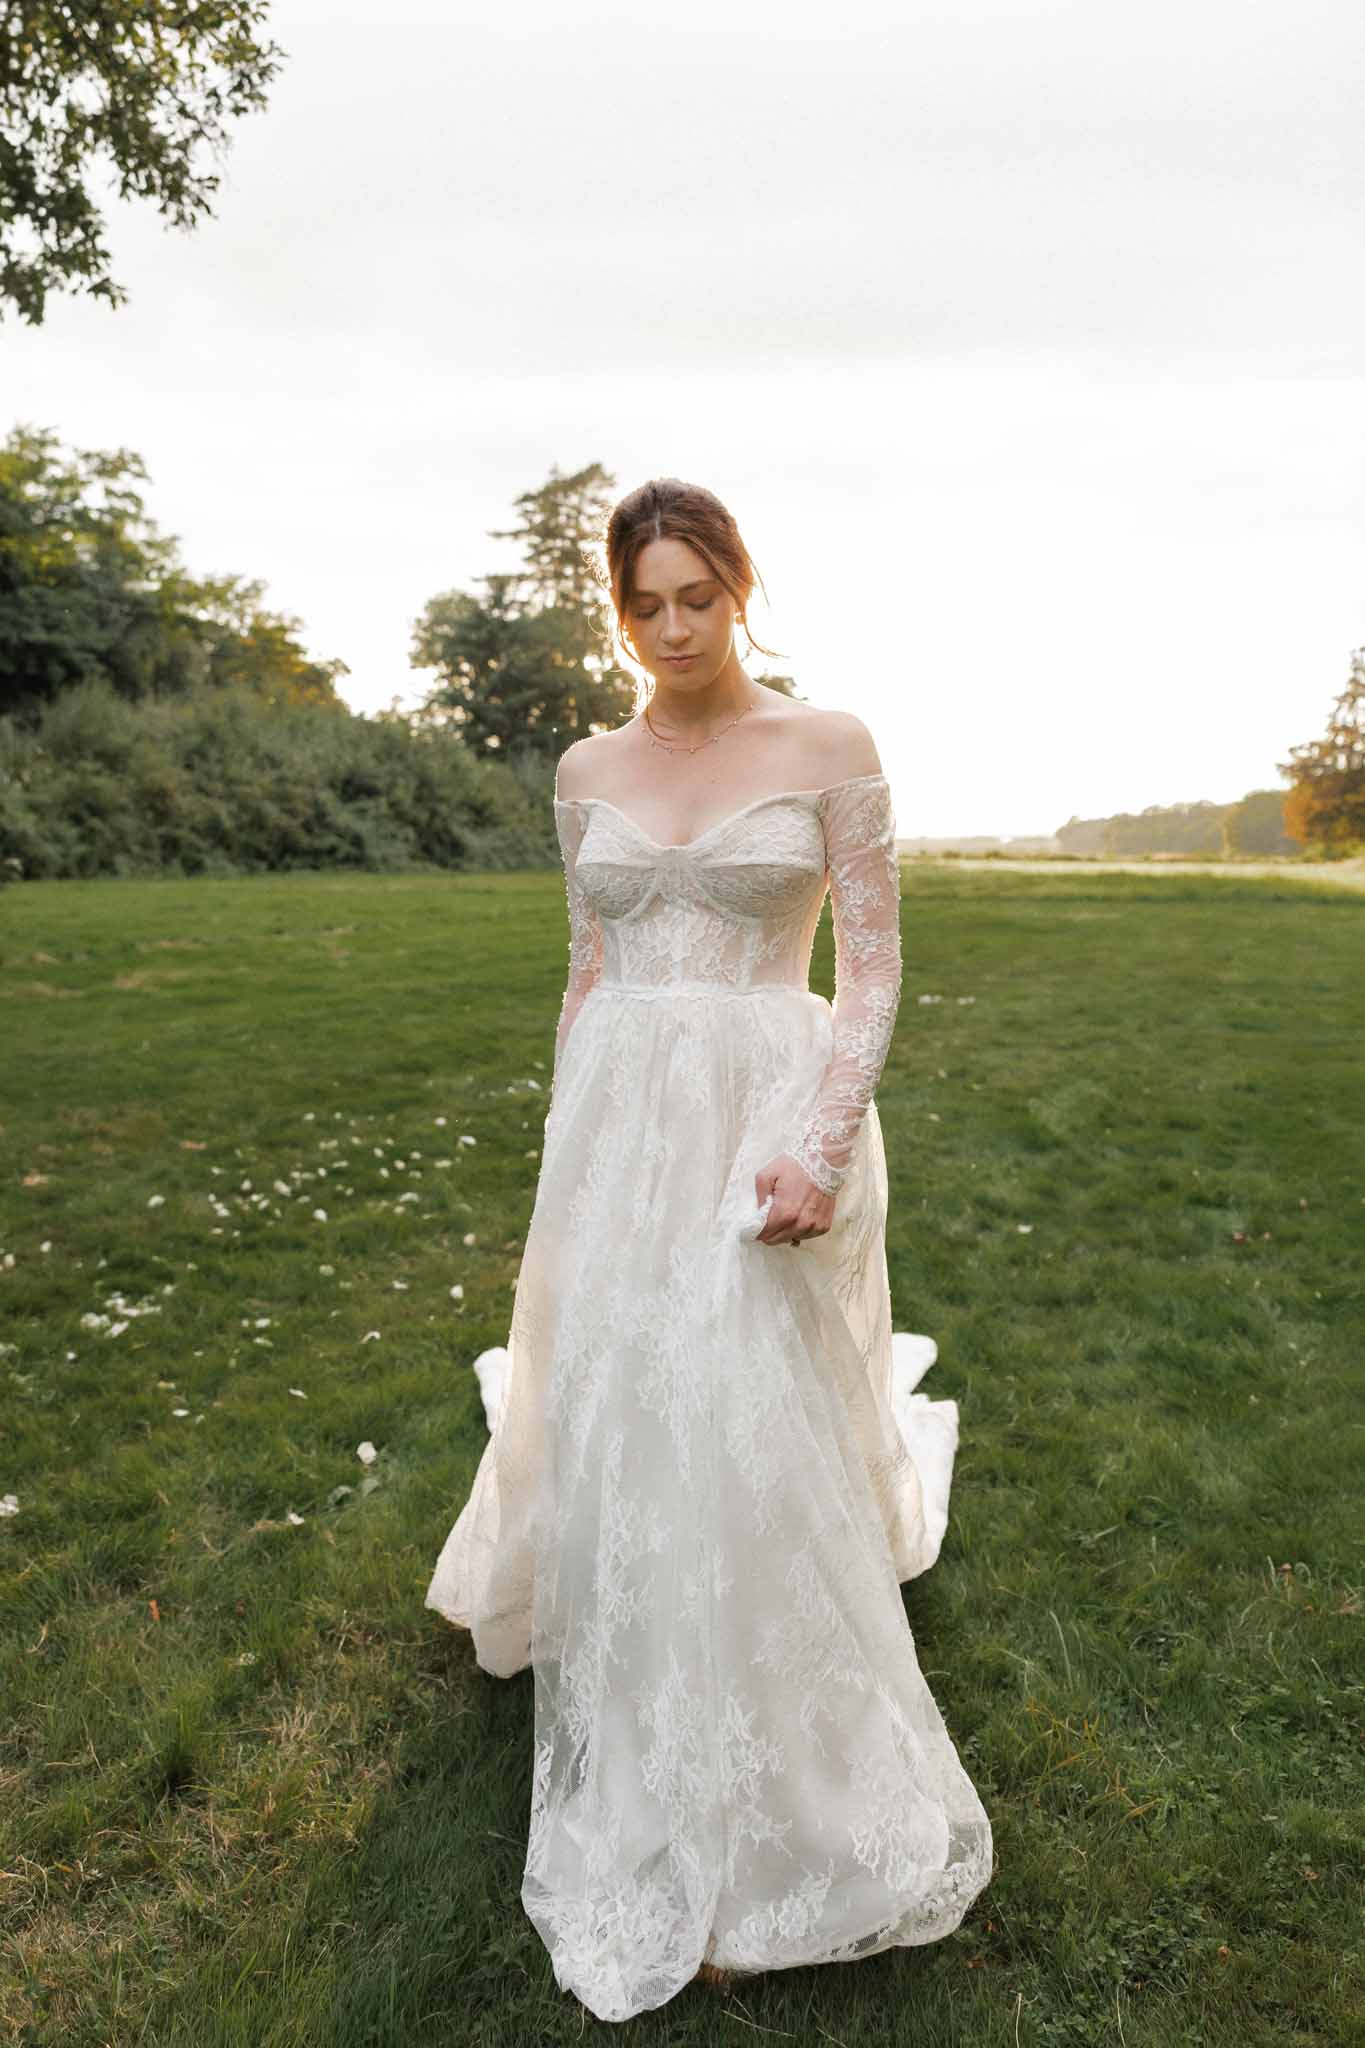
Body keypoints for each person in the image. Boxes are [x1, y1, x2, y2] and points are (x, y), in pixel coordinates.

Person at [425, 477, 994, 2022]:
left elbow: (869, 969)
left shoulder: (828, 747)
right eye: (644, 603)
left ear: (739, 586)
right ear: (618, 611)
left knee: (741, 1403)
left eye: (696, 594)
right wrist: (564, 1150)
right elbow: (586, 969)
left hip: (764, 1111)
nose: (673, 627)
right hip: (618, 1125)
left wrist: (813, 1142)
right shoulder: (584, 763)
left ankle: (772, 1785)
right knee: (623, 1393)